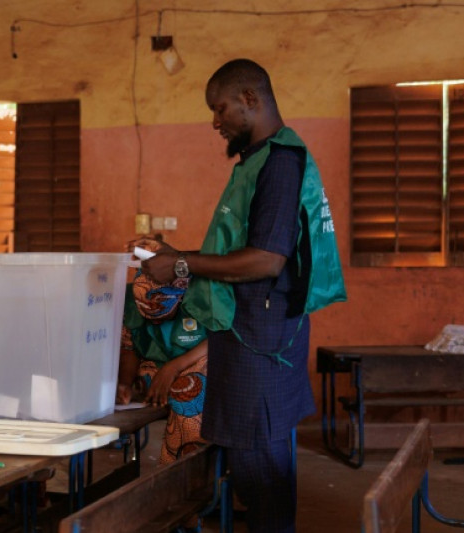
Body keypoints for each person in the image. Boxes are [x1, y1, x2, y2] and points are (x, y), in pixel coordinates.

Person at [133, 59, 345, 532]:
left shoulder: (280, 163)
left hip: (261, 346)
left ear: (250, 99)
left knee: (262, 475)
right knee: (256, 471)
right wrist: (176, 254)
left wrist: (180, 263)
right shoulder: (259, 160)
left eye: (220, 107)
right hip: (251, 337)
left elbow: (266, 261)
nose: (215, 120)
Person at [117, 265, 208, 465]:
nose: (155, 322)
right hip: (156, 365)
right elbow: (129, 347)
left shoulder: (204, 297)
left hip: (198, 359)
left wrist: (173, 368)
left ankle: (187, 474)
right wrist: (125, 384)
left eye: (163, 316)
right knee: (143, 388)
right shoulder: (131, 299)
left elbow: (219, 338)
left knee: (187, 395)